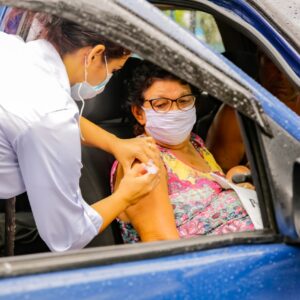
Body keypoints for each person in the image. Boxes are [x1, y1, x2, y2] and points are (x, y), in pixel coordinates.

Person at [0, 15, 160, 252]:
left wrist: (115, 143)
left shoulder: (11, 49)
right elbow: (66, 237)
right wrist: (125, 195)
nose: (110, 78)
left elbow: (41, 113)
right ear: (95, 54)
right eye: (114, 70)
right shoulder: (52, 116)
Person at [111, 61, 255, 243]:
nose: (176, 111)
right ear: (140, 114)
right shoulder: (144, 160)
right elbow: (161, 243)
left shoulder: (195, 143)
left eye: (184, 101)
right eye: (161, 105)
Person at [206, 52, 300, 171]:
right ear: (260, 61)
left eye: (290, 66)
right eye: (273, 64)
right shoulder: (238, 111)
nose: (282, 75)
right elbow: (217, 176)